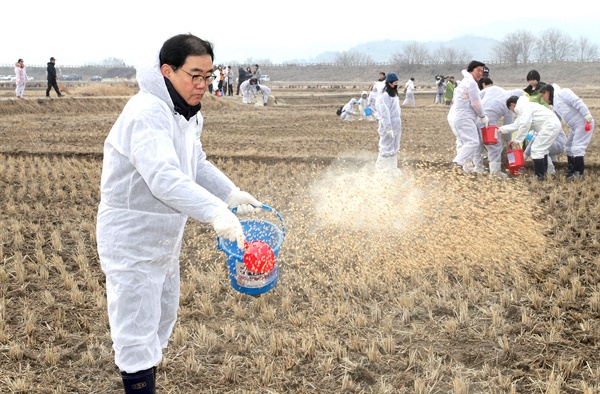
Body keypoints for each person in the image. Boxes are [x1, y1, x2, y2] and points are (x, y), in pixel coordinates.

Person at [96, 33, 262, 394]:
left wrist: (230, 193)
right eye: (195, 75)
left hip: (165, 239)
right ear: (167, 70)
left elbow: (194, 163)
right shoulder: (147, 113)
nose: (203, 85)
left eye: (209, 76)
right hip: (133, 238)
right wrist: (216, 212)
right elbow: (163, 177)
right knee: (136, 332)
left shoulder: (186, 114)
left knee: (159, 324)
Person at [498, 95, 562, 180]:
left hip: (549, 126)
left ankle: (539, 176)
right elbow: (517, 125)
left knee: (536, 149)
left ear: (512, 105)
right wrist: (501, 129)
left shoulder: (523, 107)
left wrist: (517, 141)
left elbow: (525, 125)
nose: (513, 112)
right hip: (552, 125)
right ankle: (546, 173)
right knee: (542, 150)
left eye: (511, 109)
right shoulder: (525, 107)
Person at [540, 83, 595, 179]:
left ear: (547, 93)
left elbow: (577, 101)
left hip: (583, 122)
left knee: (577, 147)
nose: (542, 98)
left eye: (542, 95)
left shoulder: (563, 93)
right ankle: (571, 170)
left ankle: (579, 173)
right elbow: (555, 119)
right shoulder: (555, 105)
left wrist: (586, 114)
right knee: (568, 147)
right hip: (575, 127)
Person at [479, 77, 524, 177]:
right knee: (495, 145)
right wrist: (508, 140)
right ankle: (495, 172)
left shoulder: (495, 88)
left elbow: (479, 95)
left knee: (479, 143)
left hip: (476, 115)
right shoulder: (509, 105)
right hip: (488, 122)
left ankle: (477, 167)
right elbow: (508, 124)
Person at [451, 61, 489, 174]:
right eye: (478, 70)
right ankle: (457, 163)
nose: (480, 73)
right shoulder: (471, 83)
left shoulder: (465, 81)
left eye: (482, 71)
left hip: (461, 116)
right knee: (473, 142)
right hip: (465, 116)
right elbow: (476, 103)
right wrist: (482, 116)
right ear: (471, 70)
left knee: (466, 143)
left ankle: (466, 168)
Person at [375, 72, 402, 174]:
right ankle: (380, 169)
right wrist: (388, 128)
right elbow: (385, 113)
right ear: (389, 83)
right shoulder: (384, 96)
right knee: (386, 146)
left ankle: (392, 168)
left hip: (396, 123)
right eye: (394, 83)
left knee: (394, 146)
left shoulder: (394, 95)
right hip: (388, 124)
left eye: (397, 83)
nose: (396, 85)